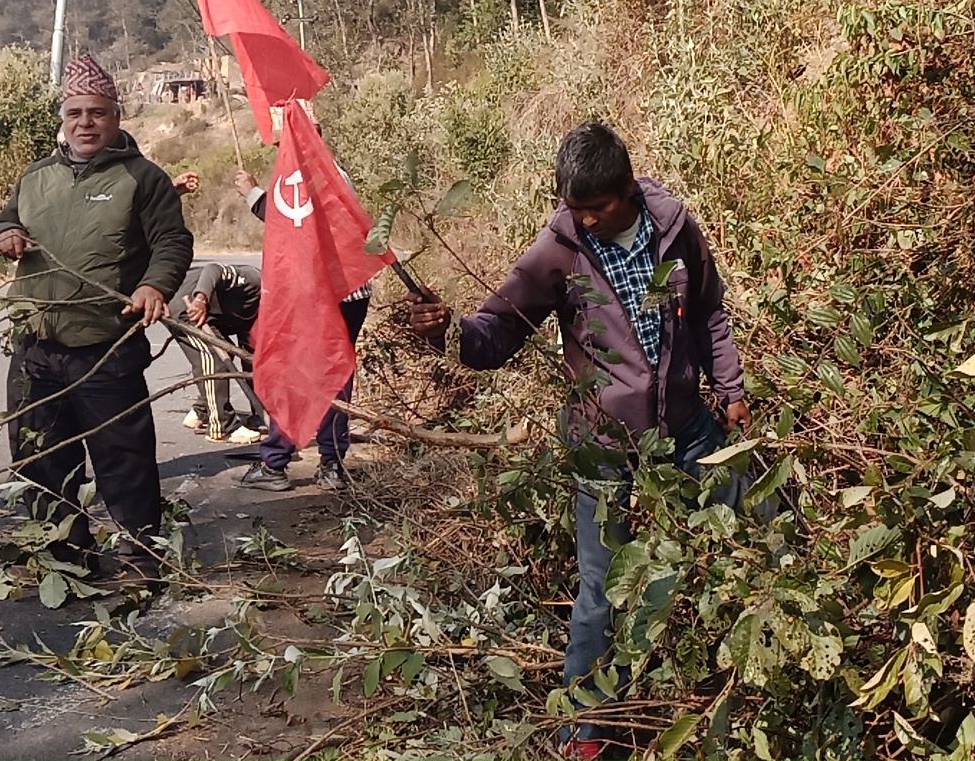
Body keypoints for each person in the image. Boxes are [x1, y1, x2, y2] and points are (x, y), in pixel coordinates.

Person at [408, 122, 749, 756]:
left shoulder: (673, 225)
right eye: (575, 209)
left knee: (740, 541)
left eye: (596, 208)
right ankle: (588, 734)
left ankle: (728, 693)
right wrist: (448, 333)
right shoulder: (560, 248)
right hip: (602, 450)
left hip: (689, 430)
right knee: (602, 589)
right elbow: (497, 329)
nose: (586, 220)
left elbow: (708, 310)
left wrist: (731, 389)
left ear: (626, 191)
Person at [0, 54, 194, 576]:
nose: (86, 123)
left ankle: (142, 555)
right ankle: (65, 558)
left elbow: (172, 241)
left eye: (97, 113)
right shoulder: (37, 176)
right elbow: (3, 221)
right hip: (35, 346)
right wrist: (3, 236)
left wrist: (153, 284)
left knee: (123, 458)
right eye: (76, 112)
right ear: (63, 116)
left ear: (116, 117)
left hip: (106, 346)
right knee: (40, 460)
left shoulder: (143, 177)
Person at [233, 166, 371, 491]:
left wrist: (252, 193)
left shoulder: (307, 167)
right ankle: (330, 462)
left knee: (295, 371)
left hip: (324, 291)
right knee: (333, 372)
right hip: (346, 288)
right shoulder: (325, 166)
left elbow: (295, 222)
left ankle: (277, 461)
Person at [173, 261, 267, 444]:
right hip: (187, 307)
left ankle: (203, 410)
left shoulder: (263, 314)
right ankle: (222, 427)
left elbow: (250, 357)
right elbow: (213, 269)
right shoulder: (253, 281)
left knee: (228, 354)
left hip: (211, 315)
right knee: (214, 358)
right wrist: (201, 299)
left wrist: (260, 415)